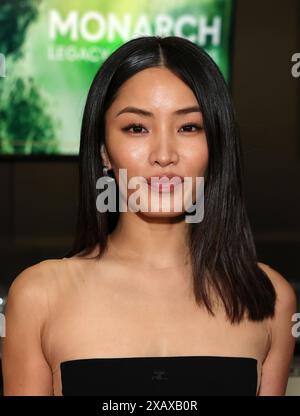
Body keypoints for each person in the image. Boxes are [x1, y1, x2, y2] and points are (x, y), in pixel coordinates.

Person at [2, 36, 297, 396]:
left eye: (189, 127)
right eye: (136, 128)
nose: (163, 154)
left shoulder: (270, 298)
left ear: (216, 145)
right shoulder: (39, 296)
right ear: (103, 151)